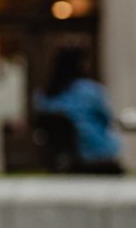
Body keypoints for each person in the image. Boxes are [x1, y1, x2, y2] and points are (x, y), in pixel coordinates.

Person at [34, 46, 123, 174]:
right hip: (96, 152)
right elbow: (107, 119)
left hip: (61, 157)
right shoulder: (91, 91)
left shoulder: (44, 96)